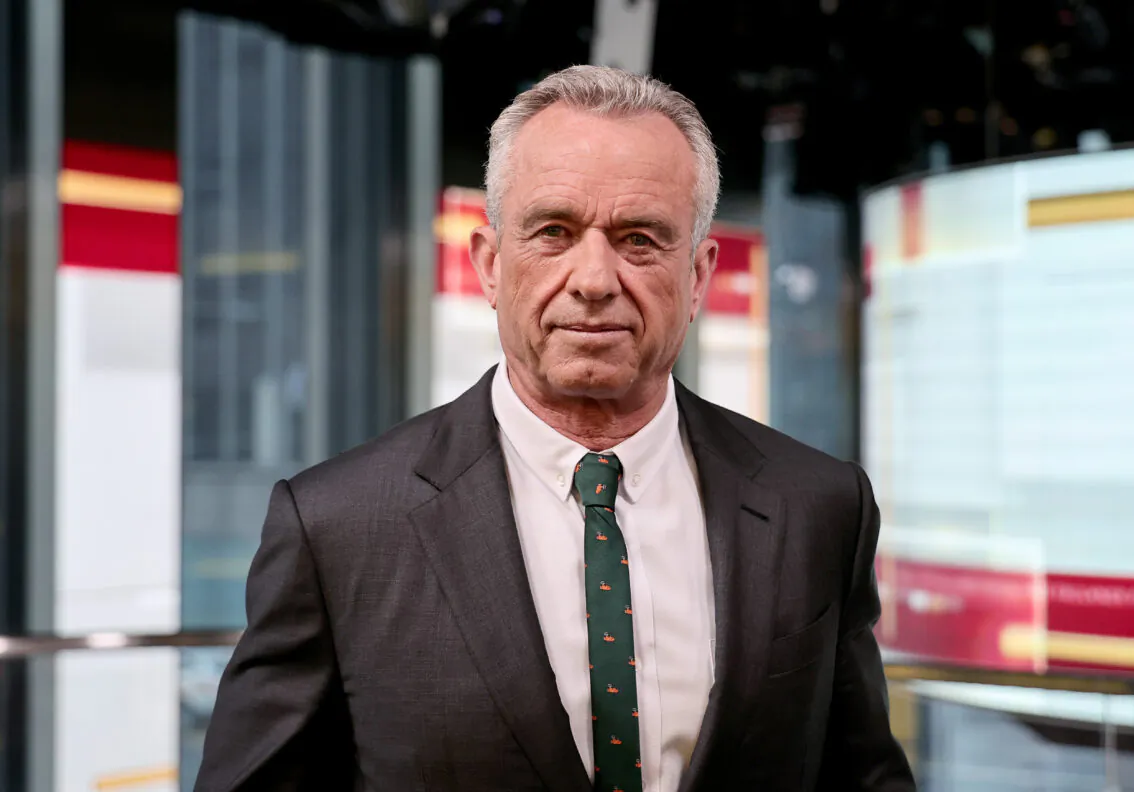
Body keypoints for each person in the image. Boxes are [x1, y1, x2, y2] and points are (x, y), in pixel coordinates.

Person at [195, 65, 915, 792]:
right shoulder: (338, 527)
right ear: (490, 265)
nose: (594, 279)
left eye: (639, 239)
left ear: (698, 276)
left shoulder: (818, 506)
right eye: (553, 232)